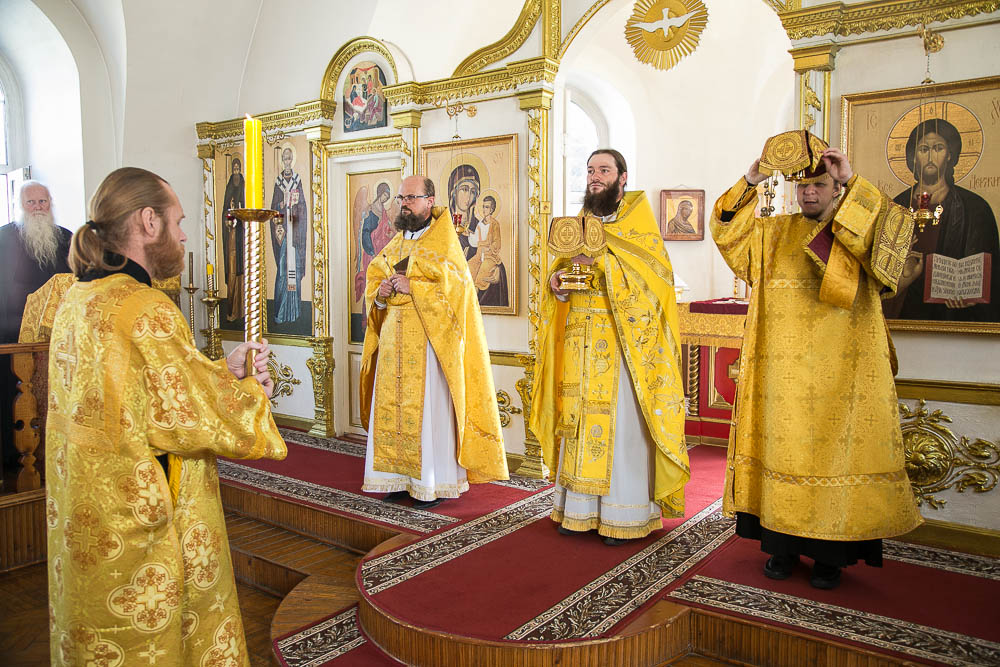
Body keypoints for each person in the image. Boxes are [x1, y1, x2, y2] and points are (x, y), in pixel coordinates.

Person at [46, 167, 287, 666]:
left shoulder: (76, 298)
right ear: (148, 221)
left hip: (87, 516)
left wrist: (222, 371)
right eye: (177, 221)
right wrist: (251, 395)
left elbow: (143, 396)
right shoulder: (145, 306)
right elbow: (187, 418)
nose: (182, 236)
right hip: (141, 520)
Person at [711, 134, 923, 590]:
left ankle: (831, 557)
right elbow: (728, 233)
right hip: (783, 371)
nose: (809, 193)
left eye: (820, 184)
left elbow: (893, 245)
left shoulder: (856, 228)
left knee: (836, 458)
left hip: (845, 373)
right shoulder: (773, 233)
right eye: (803, 185)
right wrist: (751, 178)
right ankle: (782, 548)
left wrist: (852, 177)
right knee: (783, 454)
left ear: (835, 188)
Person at [530, 149, 690, 546]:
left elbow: (655, 284)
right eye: (590, 170)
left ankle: (624, 513)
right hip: (580, 344)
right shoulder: (579, 222)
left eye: (603, 170)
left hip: (623, 349)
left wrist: (600, 264)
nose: (594, 177)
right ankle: (578, 511)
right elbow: (562, 273)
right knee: (578, 423)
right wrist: (557, 283)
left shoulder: (638, 223)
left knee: (621, 430)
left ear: (622, 177)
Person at [359, 175, 508, 508]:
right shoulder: (396, 243)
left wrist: (415, 287)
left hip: (430, 346)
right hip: (394, 343)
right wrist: (380, 293)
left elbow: (458, 292)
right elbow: (376, 284)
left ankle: (431, 483)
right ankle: (397, 479)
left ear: (430, 200)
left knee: (429, 415)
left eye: (411, 197)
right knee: (394, 412)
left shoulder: (443, 241)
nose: (405, 204)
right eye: (401, 198)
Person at [886, 118, 1000, 322]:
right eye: (923, 149)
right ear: (914, 157)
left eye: (938, 148)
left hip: (951, 319)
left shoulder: (974, 207)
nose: (930, 156)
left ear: (949, 155)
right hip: (904, 317)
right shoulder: (896, 207)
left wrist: (971, 296)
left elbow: (989, 274)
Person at [0, 181, 72, 476]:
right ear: (20, 206)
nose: (38, 208)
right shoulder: (4, 239)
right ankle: (12, 462)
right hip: (13, 338)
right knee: (13, 402)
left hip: (59, 341)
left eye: (43, 202)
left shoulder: (66, 239)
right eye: (31, 202)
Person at [269, 146, 308, 325]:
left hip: (295, 232)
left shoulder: (297, 180)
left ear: (292, 160)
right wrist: (282, 203)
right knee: (283, 271)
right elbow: (273, 208)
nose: (286, 161)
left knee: (295, 270)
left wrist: (296, 204)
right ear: (282, 161)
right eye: (284, 158)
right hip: (284, 233)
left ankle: (294, 312)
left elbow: (303, 207)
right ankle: (281, 311)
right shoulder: (278, 183)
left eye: (289, 158)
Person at [465, 195, 509, 307]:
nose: (484, 209)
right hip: (479, 255)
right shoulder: (480, 224)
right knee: (468, 268)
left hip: (490, 256)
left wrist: (488, 247)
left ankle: (473, 305)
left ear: (492, 209)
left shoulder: (495, 224)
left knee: (480, 277)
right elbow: (475, 242)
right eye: (483, 206)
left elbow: (497, 243)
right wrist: (469, 235)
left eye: (487, 207)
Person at [221, 157, 245, 321]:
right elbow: (225, 210)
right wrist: (229, 216)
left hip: (242, 237)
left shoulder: (244, 185)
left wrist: (240, 213)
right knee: (232, 270)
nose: (236, 171)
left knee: (242, 271)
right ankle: (231, 310)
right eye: (234, 168)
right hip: (231, 237)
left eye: (238, 168)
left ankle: (242, 310)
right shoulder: (230, 186)